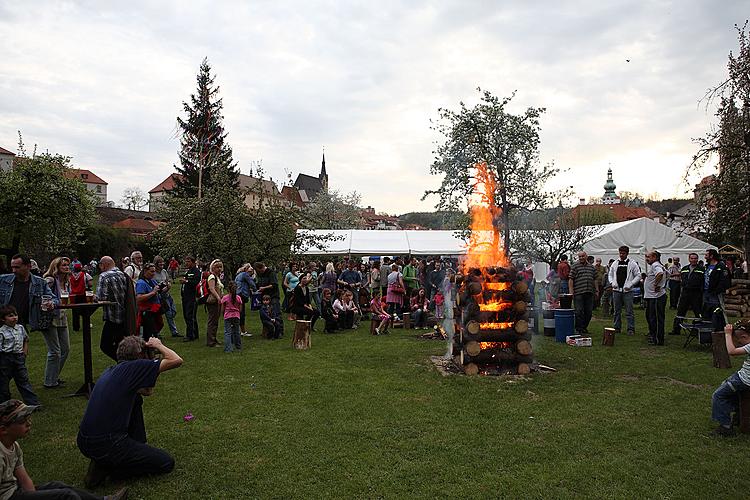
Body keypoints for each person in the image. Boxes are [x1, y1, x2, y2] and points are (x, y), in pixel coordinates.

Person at [78, 336, 182, 487]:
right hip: (108, 443)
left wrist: (150, 363)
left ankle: (113, 457)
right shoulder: (134, 367)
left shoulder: (113, 370)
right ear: (140, 355)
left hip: (85, 441)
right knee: (166, 462)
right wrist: (158, 345)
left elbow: (147, 391)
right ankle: (109, 467)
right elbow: (176, 360)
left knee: (136, 399)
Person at [0, 399, 128, 499]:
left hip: (16, 490)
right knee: (66, 496)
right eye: (22, 420)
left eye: (28, 418)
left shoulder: (14, 446)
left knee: (58, 486)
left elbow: (24, 479)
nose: (29, 423)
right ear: (3, 430)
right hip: (8, 496)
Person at [711, 321, 750, 436]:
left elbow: (732, 352)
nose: (738, 343)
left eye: (739, 340)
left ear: (745, 336)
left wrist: (727, 334)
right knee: (734, 395)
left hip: (743, 380)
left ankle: (725, 427)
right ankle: (738, 417)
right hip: (744, 379)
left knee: (718, 395)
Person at [0, 254, 57, 334]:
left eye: (17, 267)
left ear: (28, 266)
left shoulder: (40, 283)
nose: (14, 270)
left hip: (23, 323)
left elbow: (55, 299)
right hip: (4, 323)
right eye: (12, 267)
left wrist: (51, 303)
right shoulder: (3, 280)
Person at [41, 257, 71, 389]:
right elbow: (42, 294)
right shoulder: (50, 280)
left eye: (67, 265)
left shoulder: (66, 281)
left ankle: (53, 377)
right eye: (63, 265)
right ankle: (50, 381)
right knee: (55, 351)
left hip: (62, 317)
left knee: (65, 349)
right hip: (51, 318)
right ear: (56, 267)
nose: (66, 267)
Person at [0, 306, 39, 407]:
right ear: (3, 319)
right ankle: (5, 405)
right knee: (3, 382)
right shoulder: (1, 332)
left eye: (15, 315)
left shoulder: (20, 328)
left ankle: (33, 403)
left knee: (23, 380)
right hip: (6, 358)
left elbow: (26, 339)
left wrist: (24, 351)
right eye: (10, 316)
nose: (14, 318)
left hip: (18, 358)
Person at [95, 257, 133, 360]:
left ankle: (124, 364)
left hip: (112, 317)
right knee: (120, 345)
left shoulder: (104, 276)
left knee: (105, 346)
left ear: (104, 264)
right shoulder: (123, 275)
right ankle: (125, 365)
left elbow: (101, 298)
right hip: (124, 316)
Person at [608, 246, 641, 336]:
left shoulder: (632, 263)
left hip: (628, 290)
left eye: (623, 253)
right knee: (616, 310)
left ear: (627, 253)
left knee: (629, 310)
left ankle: (631, 328)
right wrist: (612, 283)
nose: (621, 255)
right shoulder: (615, 263)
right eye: (620, 253)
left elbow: (638, 275)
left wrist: (631, 284)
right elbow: (610, 275)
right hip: (616, 290)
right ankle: (617, 327)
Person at [671, 253, 704, 335]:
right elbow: (682, 278)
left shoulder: (702, 269)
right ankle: (676, 329)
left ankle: (697, 330)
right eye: (692, 258)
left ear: (697, 259)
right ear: (689, 259)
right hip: (685, 292)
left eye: (695, 258)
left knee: (698, 312)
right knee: (680, 311)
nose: (693, 260)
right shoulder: (685, 268)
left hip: (696, 293)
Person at [135, 263, 166, 342]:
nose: (153, 274)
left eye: (154, 272)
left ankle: (152, 348)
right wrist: (153, 292)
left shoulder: (151, 281)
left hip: (154, 310)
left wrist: (166, 287)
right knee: (149, 333)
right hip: (147, 312)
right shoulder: (141, 283)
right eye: (151, 272)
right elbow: (139, 298)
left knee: (156, 328)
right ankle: (150, 349)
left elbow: (158, 291)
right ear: (145, 271)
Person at [703, 248, 732, 333]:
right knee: (708, 310)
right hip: (706, 292)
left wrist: (717, 291)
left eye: (706, 255)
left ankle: (724, 328)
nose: (705, 257)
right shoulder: (707, 266)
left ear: (711, 256)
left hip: (716, 293)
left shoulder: (721, 266)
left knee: (719, 310)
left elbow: (725, 280)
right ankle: (709, 329)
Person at [152, 256, 181, 338]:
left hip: (167, 294)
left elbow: (168, 281)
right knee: (165, 314)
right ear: (156, 264)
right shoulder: (153, 273)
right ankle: (173, 332)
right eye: (159, 263)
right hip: (160, 297)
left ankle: (172, 331)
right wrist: (161, 288)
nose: (162, 264)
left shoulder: (164, 271)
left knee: (173, 311)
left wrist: (168, 286)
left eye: (162, 262)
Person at [644, 250, 668, 346]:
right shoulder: (657, 265)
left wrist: (656, 284)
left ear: (654, 257)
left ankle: (658, 339)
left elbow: (660, 274)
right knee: (650, 316)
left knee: (656, 318)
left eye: (648, 257)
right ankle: (653, 335)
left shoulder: (655, 265)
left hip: (656, 297)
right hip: (652, 296)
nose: (646, 259)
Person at [569, 251, 596, 334]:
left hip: (589, 292)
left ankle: (584, 327)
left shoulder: (592, 267)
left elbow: (595, 279)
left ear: (586, 256)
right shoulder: (575, 266)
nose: (581, 258)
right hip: (578, 292)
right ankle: (578, 328)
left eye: (582, 256)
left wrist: (597, 290)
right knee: (579, 311)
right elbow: (570, 279)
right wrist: (571, 292)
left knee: (589, 312)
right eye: (579, 256)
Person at [180, 256, 201, 342]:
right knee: (188, 315)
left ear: (193, 262)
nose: (186, 263)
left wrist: (186, 282)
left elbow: (196, 282)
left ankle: (190, 335)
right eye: (186, 261)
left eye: (188, 261)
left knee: (190, 316)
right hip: (185, 296)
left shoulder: (196, 271)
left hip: (192, 297)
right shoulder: (188, 271)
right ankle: (194, 333)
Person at [69, 262, 93, 332]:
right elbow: (90, 284)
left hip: (73, 295)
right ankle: (86, 325)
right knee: (85, 311)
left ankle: (76, 327)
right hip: (83, 294)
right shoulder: (85, 274)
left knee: (75, 312)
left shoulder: (71, 275)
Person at [205, 260, 224, 347]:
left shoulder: (217, 277)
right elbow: (211, 288)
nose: (219, 269)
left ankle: (214, 338)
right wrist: (218, 298)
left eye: (220, 267)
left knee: (215, 321)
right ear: (213, 268)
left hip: (217, 301)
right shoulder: (212, 277)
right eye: (217, 267)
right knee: (212, 321)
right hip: (213, 302)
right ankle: (211, 341)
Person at [234, 264, 256, 337]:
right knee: (241, 313)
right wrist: (256, 290)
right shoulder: (245, 274)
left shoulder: (238, 275)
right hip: (242, 295)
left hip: (237, 295)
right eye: (251, 272)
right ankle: (242, 331)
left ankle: (237, 330)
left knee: (238, 312)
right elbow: (252, 283)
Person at [221, 281, 243, 353]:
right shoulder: (238, 298)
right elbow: (240, 309)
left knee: (228, 332)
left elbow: (223, 309)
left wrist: (223, 314)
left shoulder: (225, 298)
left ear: (228, 289)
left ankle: (228, 348)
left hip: (227, 316)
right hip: (236, 315)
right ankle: (238, 346)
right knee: (236, 331)